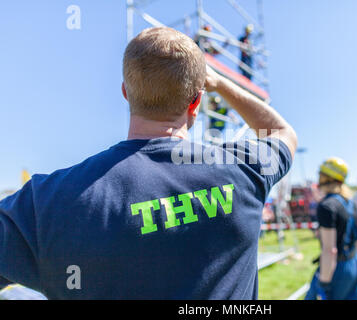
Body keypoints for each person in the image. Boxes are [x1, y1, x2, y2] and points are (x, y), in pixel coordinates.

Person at [0, 27, 297, 299]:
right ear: (195, 102)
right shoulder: (242, 170)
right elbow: (283, 133)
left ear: (126, 93)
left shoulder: (47, 201)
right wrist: (221, 85)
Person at [305, 157, 357, 300]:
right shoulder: (351, 202)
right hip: (354, 262)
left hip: (337, 269)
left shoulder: (327, 205)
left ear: (326, 177)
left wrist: (324, 283)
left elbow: (329, 250)